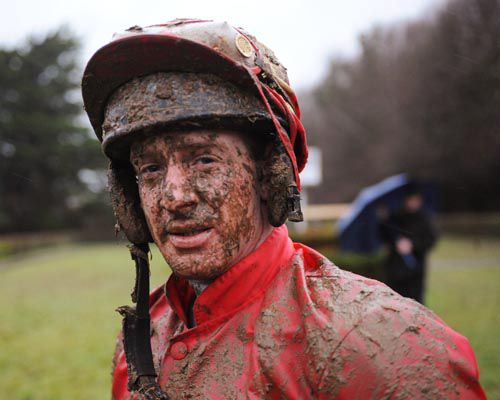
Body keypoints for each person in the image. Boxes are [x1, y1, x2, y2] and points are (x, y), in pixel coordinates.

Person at [82, 19, 485, 399]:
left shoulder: (381, 342)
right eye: (151, 169)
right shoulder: (141, 335)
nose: (174, 197)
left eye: (204, 159)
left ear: (268, 176)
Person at [381, 186, 437, 304]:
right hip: (395, 268)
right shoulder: (395, 217)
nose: (413, 203)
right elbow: (384, 236)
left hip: (415, 268)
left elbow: (430, 240)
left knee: (416, 301)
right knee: (396, 300)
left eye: (415, 200)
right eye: (410, 199)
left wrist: (412, 245)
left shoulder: (424, 218)